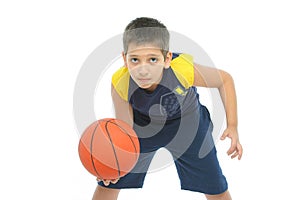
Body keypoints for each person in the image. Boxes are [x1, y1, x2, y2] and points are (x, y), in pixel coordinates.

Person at [92, 17, 243, 200]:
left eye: (153, 59)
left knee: (215, 188)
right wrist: (113, 162)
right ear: (125, 59)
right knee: (109, 182)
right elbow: (126, 128)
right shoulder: (120, 82)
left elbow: (224, 80)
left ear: (167, 58)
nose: (143, 70)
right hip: (142, 125)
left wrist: (232, 125)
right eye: (135, 60)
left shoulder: (182, 70)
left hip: (189, 124)